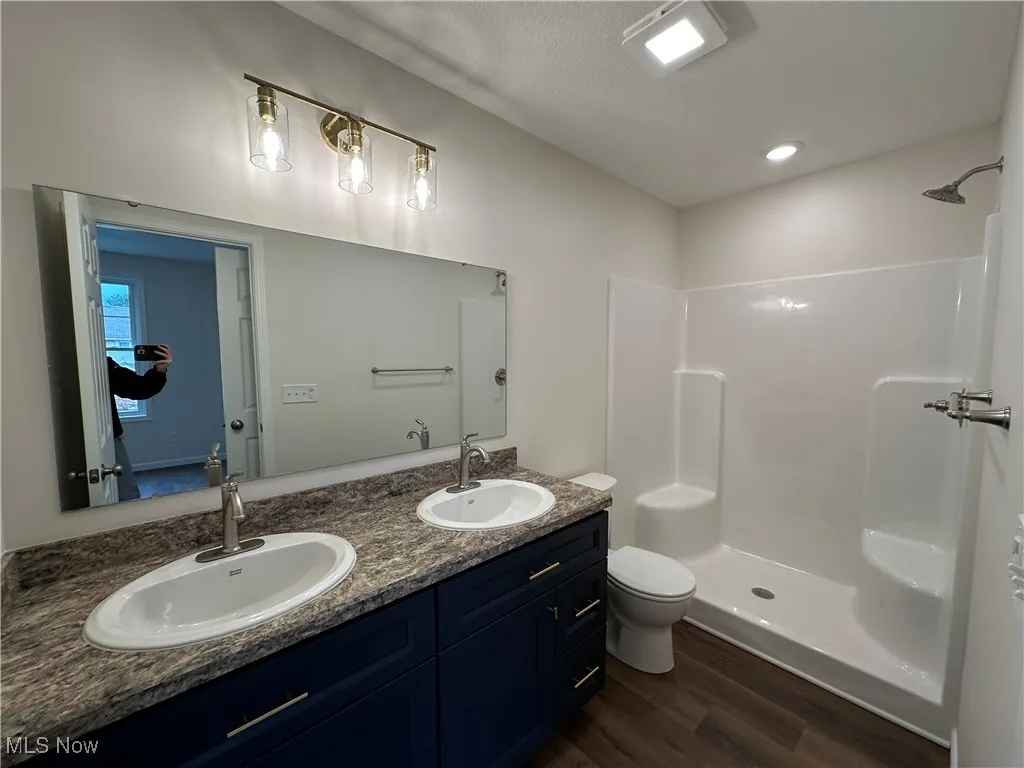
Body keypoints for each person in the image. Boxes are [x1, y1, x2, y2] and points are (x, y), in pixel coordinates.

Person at [108, 344, 173, 500]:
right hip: (103, 438)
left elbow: (139, 387)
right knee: (127, 495)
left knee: (128, 495)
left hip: (110, 438)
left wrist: (159, 370)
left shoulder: (103, 365)